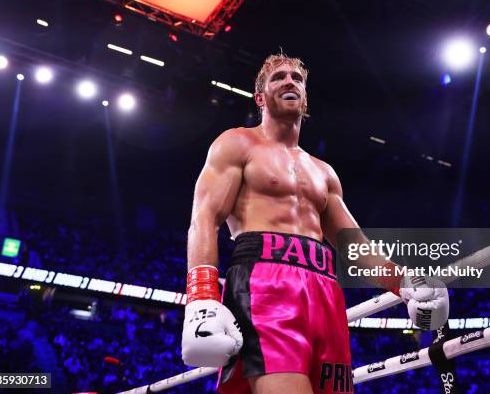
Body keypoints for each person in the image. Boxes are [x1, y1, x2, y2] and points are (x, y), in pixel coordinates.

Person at [181, 53, 449, 394]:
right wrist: (201, 297)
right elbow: (204, 217)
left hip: (325, 290)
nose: (290, 81)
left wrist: (405, 282)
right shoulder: (237, 143)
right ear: (260, 97)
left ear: (305, 97)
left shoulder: (323, 171)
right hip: (265, 283)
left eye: (297, 78)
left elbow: (353, 244)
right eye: (279, 77)